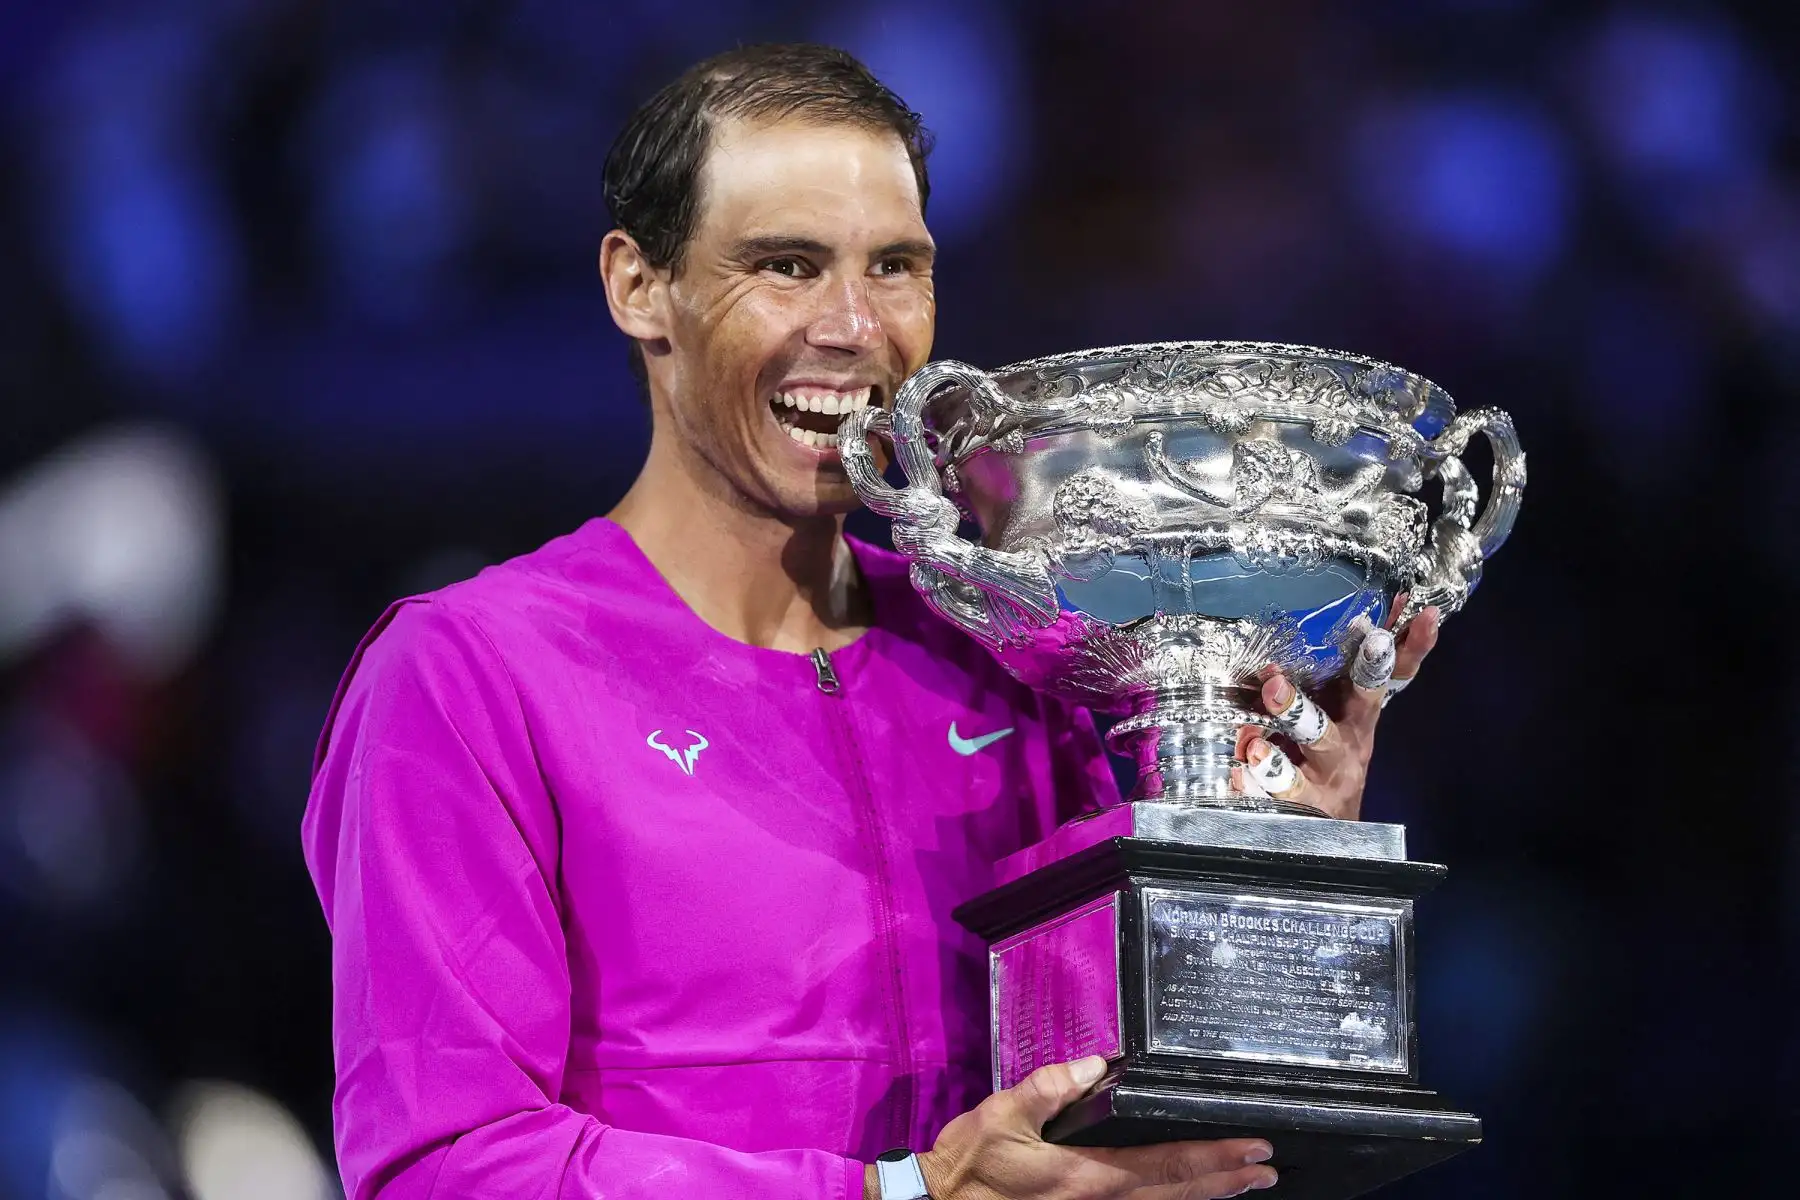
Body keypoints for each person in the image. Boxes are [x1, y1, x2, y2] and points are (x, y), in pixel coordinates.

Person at [301, 42, 1439, 1200]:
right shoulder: (467, 675)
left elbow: (1151, 1122)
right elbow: (445, 1165)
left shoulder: (1011, 654)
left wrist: (1263, 860)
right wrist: (896, 1195)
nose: (853, 327)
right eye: (785, 266)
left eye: (894, 266)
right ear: (639, 286)